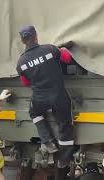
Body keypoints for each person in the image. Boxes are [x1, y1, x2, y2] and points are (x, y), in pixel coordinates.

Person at [16, 25, 74, 168]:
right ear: (36, 36)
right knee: (64, 124)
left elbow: (26, 83)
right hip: (59, 97)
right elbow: (67, 59)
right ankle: (63, 160)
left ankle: (47, 140)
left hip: (40, 99)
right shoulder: (51, 49)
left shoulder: (21, 62)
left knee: (34, 112)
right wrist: (64, 50)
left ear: (23, 41)